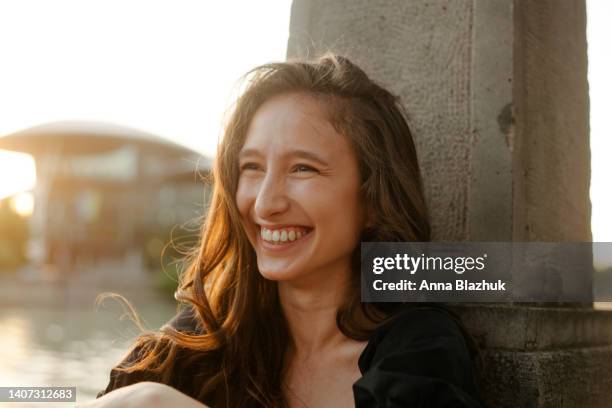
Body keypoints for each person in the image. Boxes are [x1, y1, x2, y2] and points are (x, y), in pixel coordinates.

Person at [84, 54, 482, 407]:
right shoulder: (198, 338)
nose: (264, 204)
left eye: (302, 168)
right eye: (252, 168)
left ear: (373, 200)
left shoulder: (420, 348)